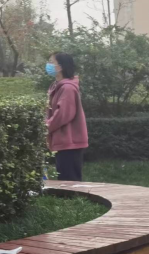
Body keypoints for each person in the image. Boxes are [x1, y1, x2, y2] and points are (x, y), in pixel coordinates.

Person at [46, 52, 88, 181]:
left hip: (70, 142)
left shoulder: (68, 88)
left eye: (51, 62)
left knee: (69, 182)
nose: (48, 65)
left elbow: (63, 114)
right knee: (63, 180)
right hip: (62, 141)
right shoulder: (56, 86)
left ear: (60, 67)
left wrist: (45, 127)